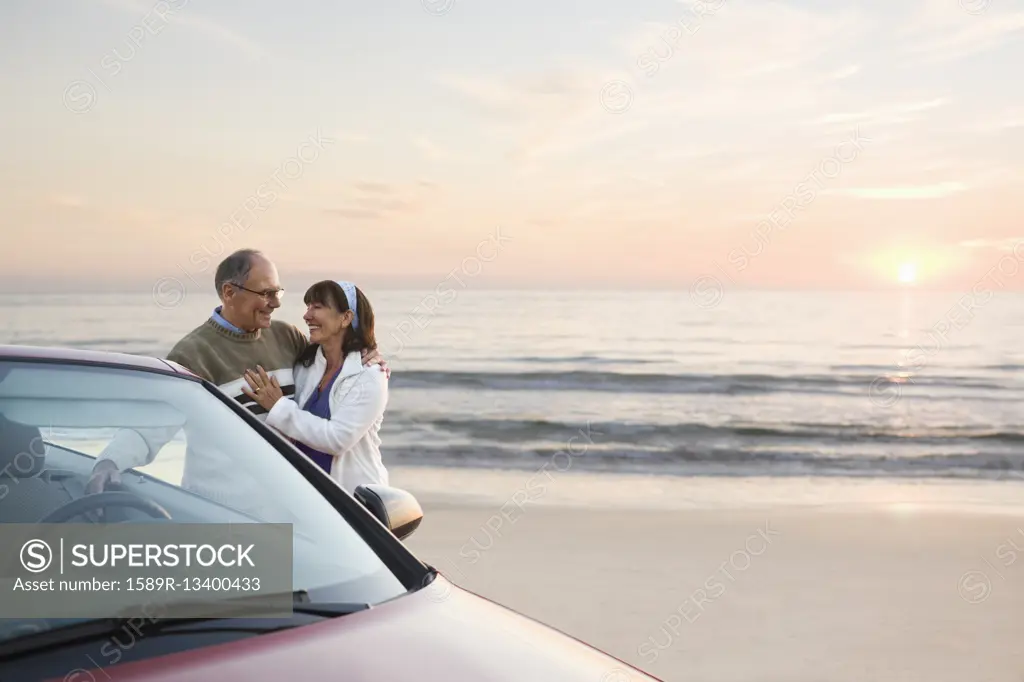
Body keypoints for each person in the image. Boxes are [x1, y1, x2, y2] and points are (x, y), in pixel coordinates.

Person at [86, 249, 388, 503]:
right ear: (229, 293)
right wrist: (110, 462)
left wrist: (369, 355)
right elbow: (151, 425)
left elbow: (334, 365)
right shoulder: (193, 353)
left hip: (288, 510)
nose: (277, 302)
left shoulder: (287, 338)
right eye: (267, 293)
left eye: (278, 292)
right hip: (222, 512)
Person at [241, 280, 388, 493]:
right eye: (307, 306)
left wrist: (278, 406)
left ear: (346, 317)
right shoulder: (305, 364)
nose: (307, 315)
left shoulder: (370, 375)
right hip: (308, 497)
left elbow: (338, 439)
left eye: (317, 307)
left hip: (356, 502)